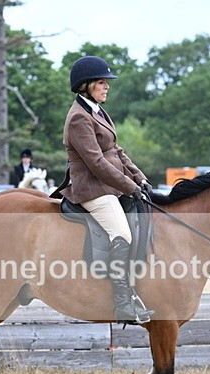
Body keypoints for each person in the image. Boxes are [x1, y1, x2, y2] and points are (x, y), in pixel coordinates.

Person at [61, 55, 154, 323]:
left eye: (106, 82)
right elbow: (97, 163)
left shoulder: (97, 111)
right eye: (102, 82)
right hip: (92, 190)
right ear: (86, 85)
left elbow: (115, 150)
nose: (107, 87)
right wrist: (129, 186)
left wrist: (140, 178)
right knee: (122, 234)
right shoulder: (79, 118)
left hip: (109, 186)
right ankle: (123, 304)